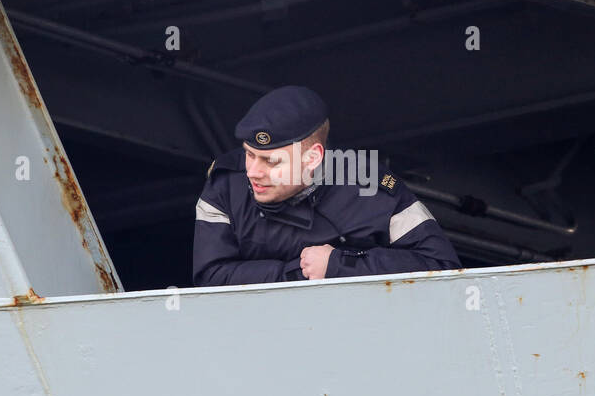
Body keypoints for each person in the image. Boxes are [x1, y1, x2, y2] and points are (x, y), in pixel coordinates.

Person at [193, 86, 461, 285]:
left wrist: (340, 264)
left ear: (313, 158)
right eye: (249, 154)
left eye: (271, 162)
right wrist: (297, 273)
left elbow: (441, 269)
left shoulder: (369, 188)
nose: (253, 172)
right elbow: (211, 277)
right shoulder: (226, 185)